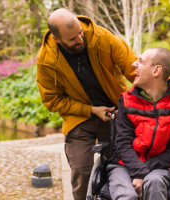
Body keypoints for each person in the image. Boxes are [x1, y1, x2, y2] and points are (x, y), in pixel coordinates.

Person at [36, 8, 137, 199]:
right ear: (58, 39)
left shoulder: (101, 37)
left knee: (117, 168)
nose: (80, 40)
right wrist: (90, 110)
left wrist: (155, 93)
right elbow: (52, 100)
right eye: (72, 39)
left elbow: (134, 68)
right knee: (82, 171)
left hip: (114, 112)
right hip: (79, 119)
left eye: (80, 33)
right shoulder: (46, 60)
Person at [106, 47, 170, 200]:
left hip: (160, 167)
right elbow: (122, 143)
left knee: (154, 182)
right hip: (122, 165)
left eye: (141, 61)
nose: (133, 64)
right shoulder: (126, 100)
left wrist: (144, 171)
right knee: (126, 195)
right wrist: (139, 171)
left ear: (156, 71)